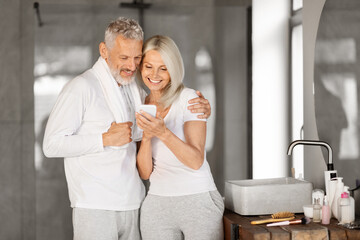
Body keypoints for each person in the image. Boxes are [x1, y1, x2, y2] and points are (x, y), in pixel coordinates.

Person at [43, 17, 211, 240]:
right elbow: (51, 145)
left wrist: (203, 107)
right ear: (104, 50)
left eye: (137, 57)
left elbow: (162, 104)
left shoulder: (135, 91)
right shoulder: (81, 88)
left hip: (133, 203)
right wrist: (104, 138)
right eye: (123, 57)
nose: (132, 66)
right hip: (95, 205)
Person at [136, 35, 224, 240]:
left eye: (163, 68)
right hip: (157, 204)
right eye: (149, 66)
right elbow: (145, 173)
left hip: (198, 200)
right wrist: (147, 138)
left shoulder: (189, 99)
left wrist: (163, 133)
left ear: (173, 69)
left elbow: (195, 161)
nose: (154, 75)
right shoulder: (140, 102)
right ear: (141, 67)